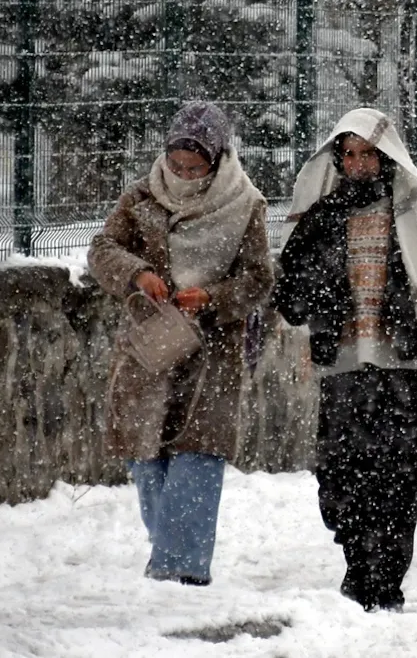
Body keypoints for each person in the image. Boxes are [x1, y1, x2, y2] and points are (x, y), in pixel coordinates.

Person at [273, 108, 417, 611]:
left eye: (367, 152)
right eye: (347, 154)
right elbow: (289, 296)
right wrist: (318, 294)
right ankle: (357, 567)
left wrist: (415, 319)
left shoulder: (412, 215)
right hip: (343, 369)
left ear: (385, 155)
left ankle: (385, 581)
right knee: (340, 477)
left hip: (403, 368)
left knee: (396, 476)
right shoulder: (322, 218)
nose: (358, 163)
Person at [88, 101, 274, 586]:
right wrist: (139, 274)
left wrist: (212, 296)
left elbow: (258, 278)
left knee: (199, 449)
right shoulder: (141, 197)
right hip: (151, 344)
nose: (184, 174)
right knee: (145, 450)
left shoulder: (245, 204)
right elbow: (103, 250)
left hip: (214, 353)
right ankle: (168, 547)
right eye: (176, 164)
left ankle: (181, 569)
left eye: (195, 167)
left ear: (218, 161)